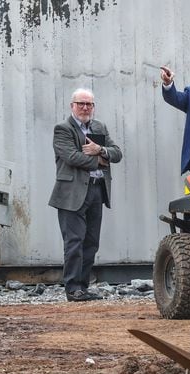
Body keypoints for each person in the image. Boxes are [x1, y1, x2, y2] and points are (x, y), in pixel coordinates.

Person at [49, 88, 123, 302]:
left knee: (91, 241)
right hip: (71, 193)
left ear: (94, 106)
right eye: (80, 103)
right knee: (74, 241)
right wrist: (100, 160)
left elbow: (116, 153)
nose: (85, 108)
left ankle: (83, 286)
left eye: (89, 104)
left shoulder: (99, 126)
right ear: (72, 105)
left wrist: (100, 149)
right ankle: (73, 289)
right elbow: (71, 157)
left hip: (96, 190)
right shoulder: (62, 129)